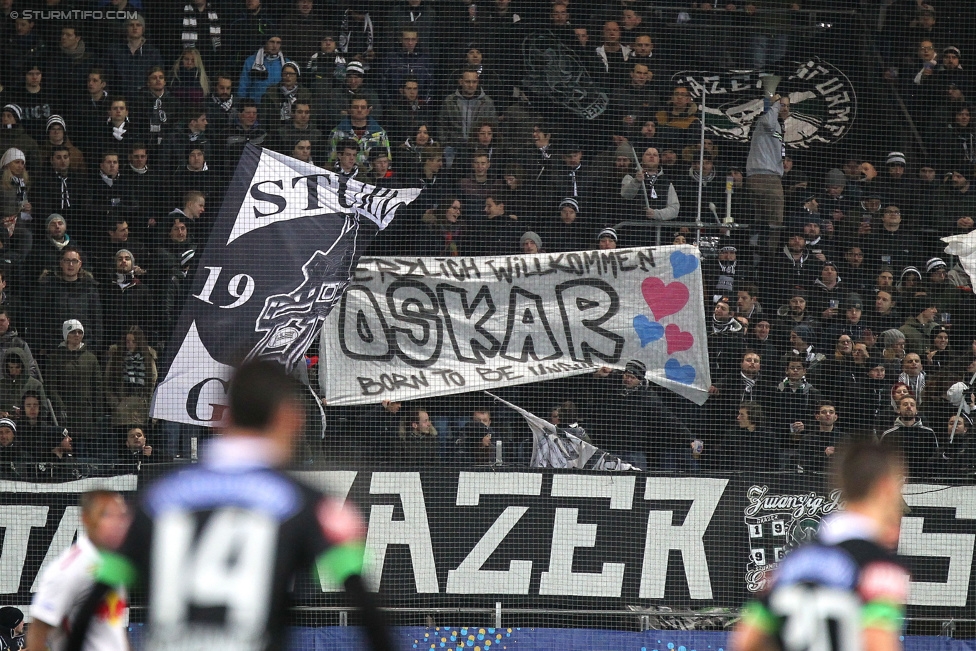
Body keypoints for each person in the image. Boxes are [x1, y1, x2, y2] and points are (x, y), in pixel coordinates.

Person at [65, 360, 393, 651]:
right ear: (289, 419)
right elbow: (367, 608)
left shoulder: (153, 500)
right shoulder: (311, 505)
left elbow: (89, 607)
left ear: (224, 418)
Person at [732, 442, 909, 651]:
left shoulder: (793, 562)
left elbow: (745, 640)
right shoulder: (880, 567)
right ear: (886, 487)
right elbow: (878, 644)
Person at [26, 491, 130, 651]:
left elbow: (113, 631)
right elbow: (37, 631)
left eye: (121, 515)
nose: (117, 522)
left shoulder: (114, 563)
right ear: (86, 519)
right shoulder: (68, 570)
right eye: (106, 515)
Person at [746, 91, 789, 251]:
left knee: (762, 221)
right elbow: (768, 123)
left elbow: (775, 137)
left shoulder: (777, 125)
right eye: (781, 105)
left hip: (767, 175)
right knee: (774, 221)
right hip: (766, 178)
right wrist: (775, 104)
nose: (784, 108)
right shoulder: (765, 119)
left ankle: (760, 254)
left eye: (786, 106)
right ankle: (765, 255)